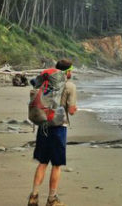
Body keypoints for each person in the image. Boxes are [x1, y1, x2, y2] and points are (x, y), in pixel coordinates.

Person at [28, 59, 77, 206]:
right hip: (58, 128)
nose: (72, 73)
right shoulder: (70, 86)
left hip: (43, 125)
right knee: (56, 165)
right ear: (67, 72)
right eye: (71, 70)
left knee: (42, 163)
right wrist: (74, 108)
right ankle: (52, 199)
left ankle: (34, 196)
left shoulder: (45, 84)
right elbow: (72, 111)